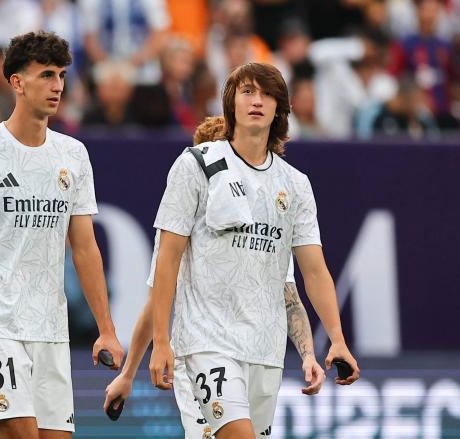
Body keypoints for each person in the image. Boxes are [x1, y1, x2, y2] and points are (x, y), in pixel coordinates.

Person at [0, 31, 124, 439]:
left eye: (62, 75)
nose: (57, 86)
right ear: (16, 82)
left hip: (51, 328)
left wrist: (106, 327)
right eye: (46, 75)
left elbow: (85, 248)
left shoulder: (73, 154)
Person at [148, 63, 359, 439]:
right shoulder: (195, 164)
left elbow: (313, 270)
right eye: (247, 92)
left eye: (267, 94)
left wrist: (337, 339)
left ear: (280, 107)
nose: (257, 101)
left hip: (265, 348)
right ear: (231, 103)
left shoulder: (295, 184)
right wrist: (161, 340)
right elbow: (167, 259)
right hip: (207, 342)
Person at [103, 116, 326, 439]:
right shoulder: (184, 218)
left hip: (257, 354)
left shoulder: (266, 219)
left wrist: (308, 355)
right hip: (203, 350)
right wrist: (129, 373)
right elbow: (156, 302)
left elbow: (288, 294)